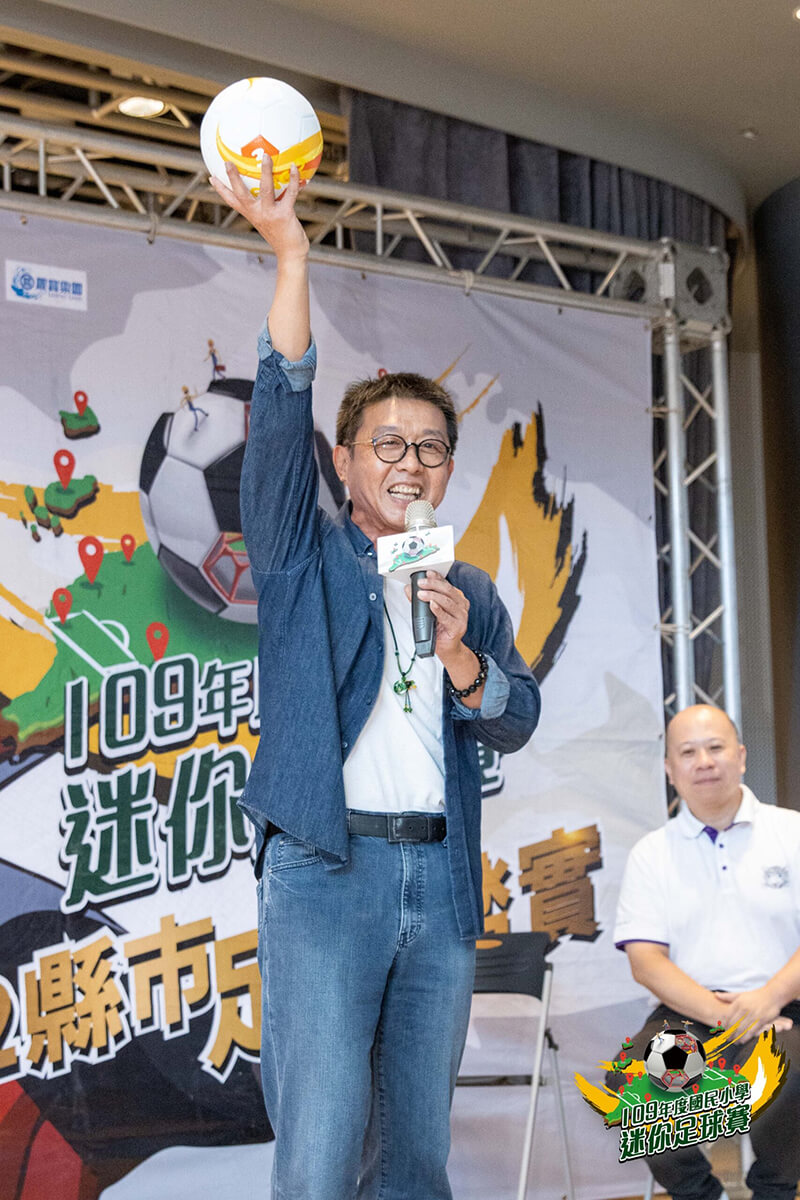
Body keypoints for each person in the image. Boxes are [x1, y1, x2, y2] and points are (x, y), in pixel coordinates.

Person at [210, 159, 541, 1199]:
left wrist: (462, 659)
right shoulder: (303, 556)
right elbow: (278, 415)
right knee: (320, 1146)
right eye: (386, 443)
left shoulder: (465, 587)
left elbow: (516, 717)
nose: (410, 462)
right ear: (346, 462)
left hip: (439, 879)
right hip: (327, 869)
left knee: (415, 1154)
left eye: (430, 448)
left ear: (449, 469)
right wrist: (290, 254)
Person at [612, 704, 800, 1200]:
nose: (704, 762)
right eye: (688, 752)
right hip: (691, 1014)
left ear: (741, 756)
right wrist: (730, 1017)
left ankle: (775, 1192)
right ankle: (699, 1195)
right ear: (670, 770)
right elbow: (645, 962)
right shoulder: (652, 853)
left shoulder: (792, 833)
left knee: (792, 1073)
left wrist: (767, 1001)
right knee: (638, 1084)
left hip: (787, 1008)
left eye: (716, 748)